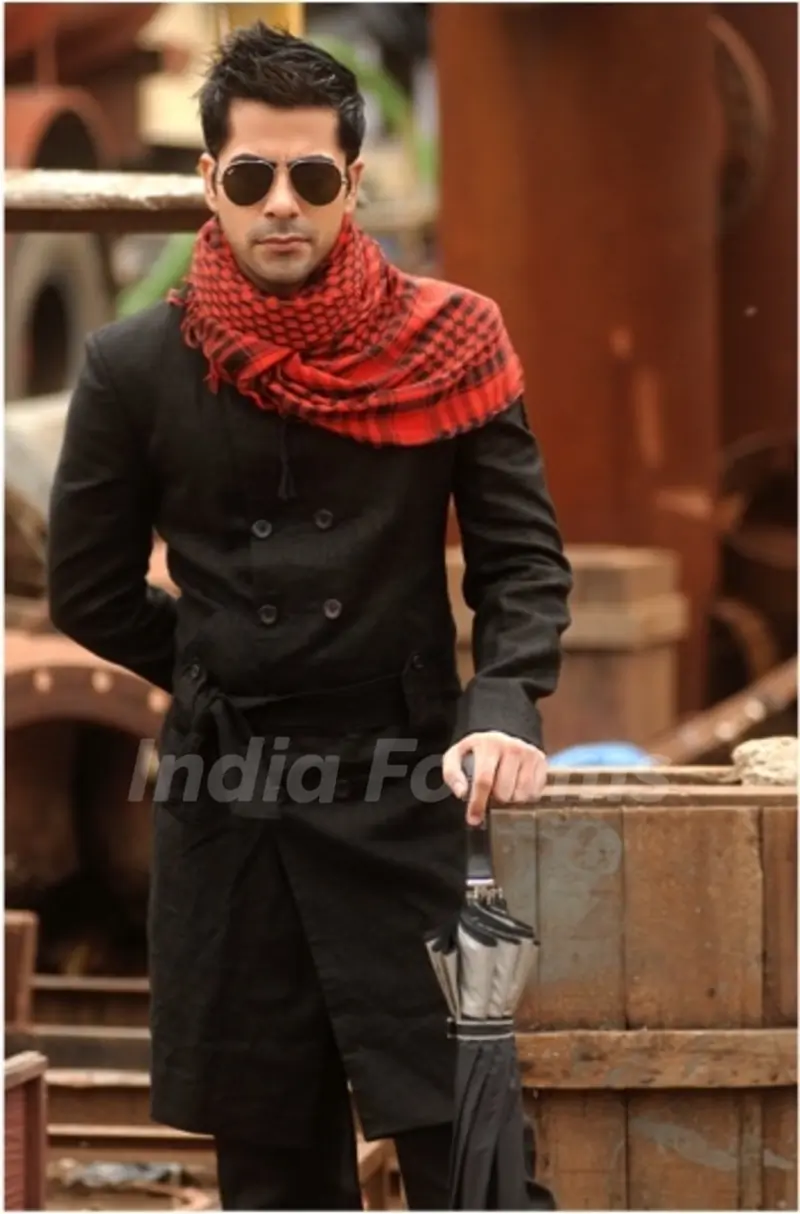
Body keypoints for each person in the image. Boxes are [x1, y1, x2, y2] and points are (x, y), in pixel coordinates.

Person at [47, 23, 572, 1212]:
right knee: (275, 1169)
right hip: (233, 801)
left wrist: (502, 705)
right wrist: (220, 665)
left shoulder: (450, 342)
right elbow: (87, 588)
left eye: (309, 176)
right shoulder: (133, 366)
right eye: (249, 176)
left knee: (472, 1154)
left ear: (353, 181)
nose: (279, 203)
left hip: (407, 789)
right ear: (209, 182)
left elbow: (521, 562)